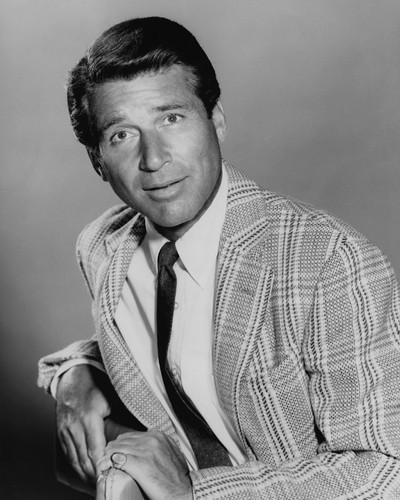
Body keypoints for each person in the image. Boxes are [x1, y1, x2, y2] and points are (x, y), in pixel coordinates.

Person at [38, 16, 400, 499]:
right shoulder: (103, 246)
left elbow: (385, 470)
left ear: (217, 120)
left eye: (172, 118)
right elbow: (143, 342)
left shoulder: (328, 263)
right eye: (122, 134)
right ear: (98, 161)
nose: (154, 158)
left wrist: (196, 493)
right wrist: (74, 373)